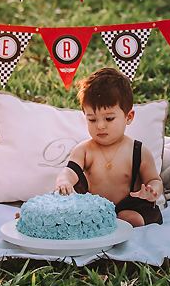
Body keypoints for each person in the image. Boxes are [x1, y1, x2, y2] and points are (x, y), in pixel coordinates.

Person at [54, 67, 163, 226]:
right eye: (92, 120)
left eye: (109, 119)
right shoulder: (84, 150)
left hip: (131, 205)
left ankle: (111, 224)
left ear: (128, 117)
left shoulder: (138, 151)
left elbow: (154, 179)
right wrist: (64, 182)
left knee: (131, 218)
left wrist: (152, 192)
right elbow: (70, 170)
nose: (100, 126)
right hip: (94, 207)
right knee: (69, 213)